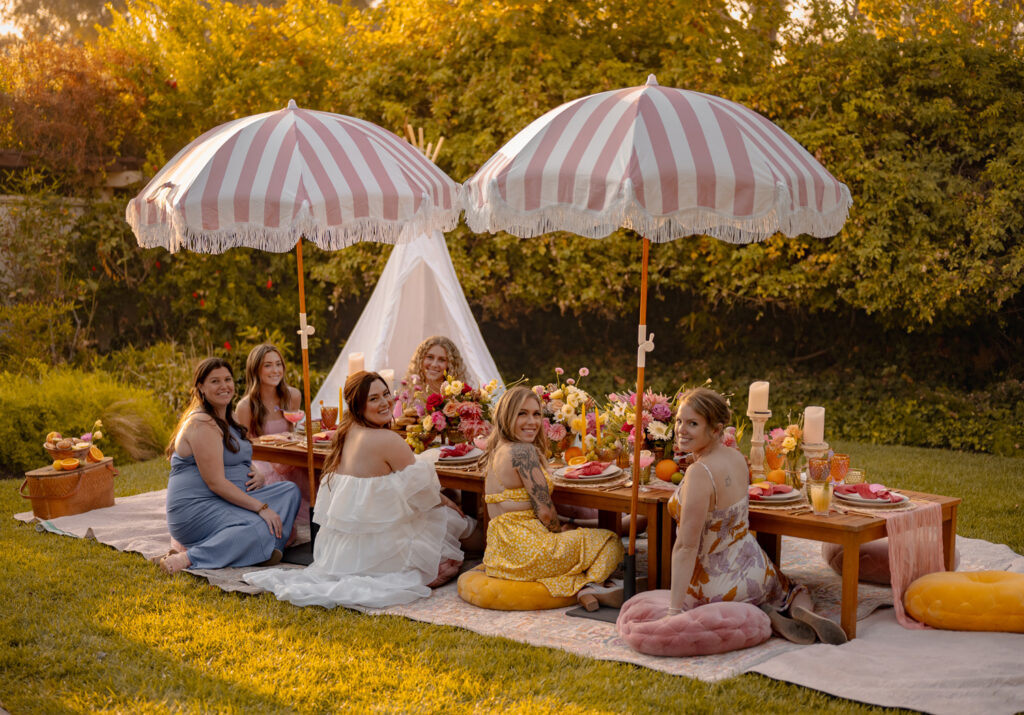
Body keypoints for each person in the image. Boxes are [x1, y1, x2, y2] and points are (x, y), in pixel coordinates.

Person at [243, 371, 480, 608]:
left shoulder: (347, 433)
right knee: (459, 523)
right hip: (381, 544)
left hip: (343, 553)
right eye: (373, 399)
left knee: (447, 526)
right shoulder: (387, 440)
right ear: (358, 406)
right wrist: (450, 505)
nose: (385, 402)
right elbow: (423, 495)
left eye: (386, 394)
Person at [665, 387, 847, 644]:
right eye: (679, 421)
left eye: (692, 423)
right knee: (795, 589)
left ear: (716, 430)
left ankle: (763, 614)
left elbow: (686, 546)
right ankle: (797, 609)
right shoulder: (738, 458)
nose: (681, 429)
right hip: (756, 571)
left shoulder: (699, 472)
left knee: (710, 595)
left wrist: (673, 611)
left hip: (715, 586)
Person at [481, 386, 624, 608]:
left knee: (578, 536)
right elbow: (546, 512)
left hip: (501, 556)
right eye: (522, 413)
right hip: (529, 553)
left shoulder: (497, 450)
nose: (532, 421)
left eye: (536, 414)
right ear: (506, 416)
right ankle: (588, 586)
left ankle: (573, 582)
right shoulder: (522, 452)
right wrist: (559, 531)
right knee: (610, 541)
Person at [157, 357, 301, 575]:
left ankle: (260, 547)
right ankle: (188, 558)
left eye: (227, 379)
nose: (224, 386)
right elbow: (215, 483)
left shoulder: (229, 418)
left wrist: (255, 472)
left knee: (290, 491)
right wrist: (261, 508)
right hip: (198, 507)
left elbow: (236, 455)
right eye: (215, 381)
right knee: (260, 526)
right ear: (201, 388)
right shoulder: (202, 423)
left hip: (230, 501)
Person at [235, 343, 309, 522]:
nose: (275, 370)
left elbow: (294, 431)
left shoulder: (293, 396)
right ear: (255, 370)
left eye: (278, 364)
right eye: (267, 365)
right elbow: (242, 448)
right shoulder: (245, 406)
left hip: (289, 456)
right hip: (263, 461)